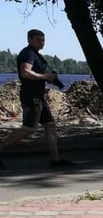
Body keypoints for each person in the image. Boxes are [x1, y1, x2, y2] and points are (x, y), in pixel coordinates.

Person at [0, 29, 73, 170]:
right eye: (39, 40)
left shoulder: (37, 56)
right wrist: (46, 77)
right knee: (29, 128)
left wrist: (51, 79)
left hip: (39, 96)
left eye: (43, 40)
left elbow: (39, 74)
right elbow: (26, 73)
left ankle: (55, 159)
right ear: (30, 40)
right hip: (31, 96)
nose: (42, 42)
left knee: (50, 125)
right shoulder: (27, 53)